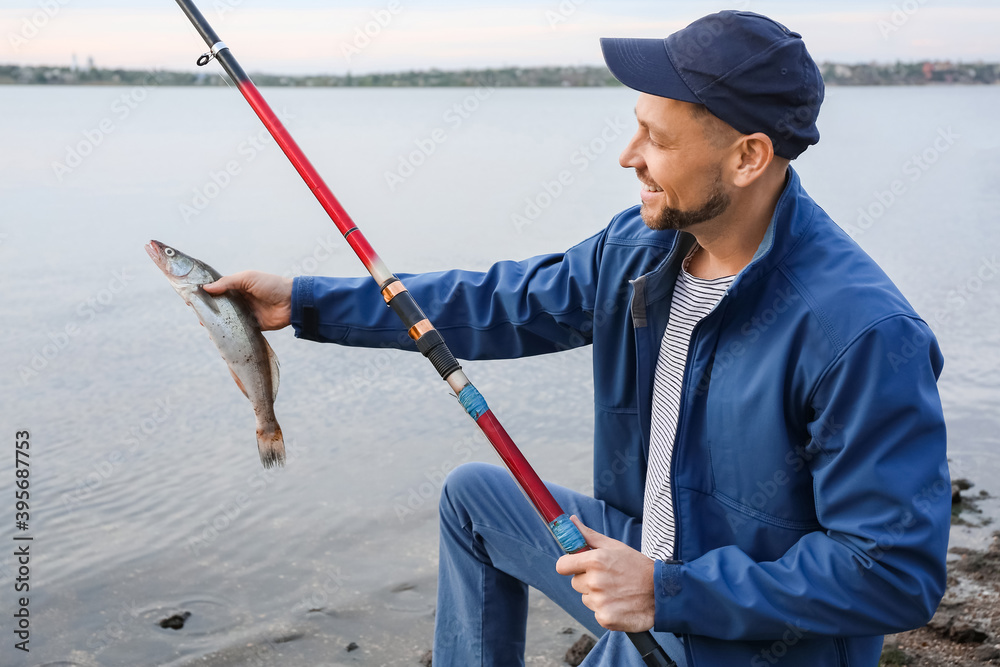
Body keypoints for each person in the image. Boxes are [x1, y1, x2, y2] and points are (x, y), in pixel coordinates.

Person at [205, 11, 950, 666]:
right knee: (474, 499)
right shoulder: (641, 248)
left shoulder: (862, 333)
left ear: (748, 156)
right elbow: (499, 302)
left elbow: (893, 572)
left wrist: (665, 590)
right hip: (649, 558)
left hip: (740, 631)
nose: (629, 156)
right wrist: (302, 303)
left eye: (655, 139)